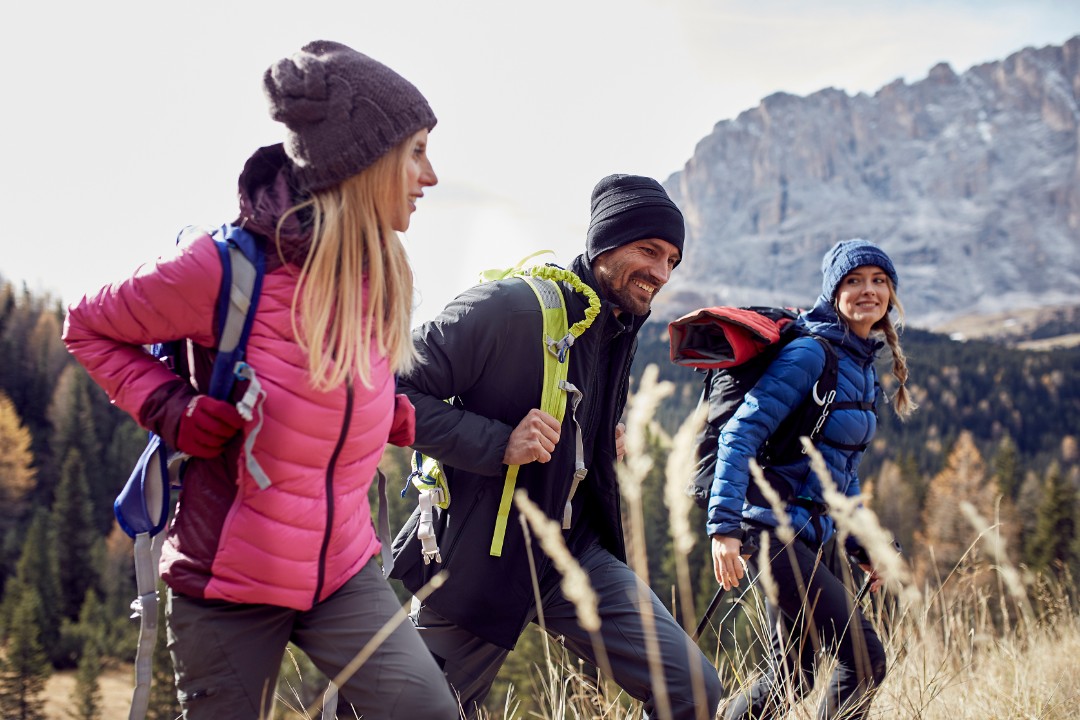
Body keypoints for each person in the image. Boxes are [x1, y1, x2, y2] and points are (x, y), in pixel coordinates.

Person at [62, 40, 459, 720]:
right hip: (228, 589)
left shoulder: (377, 271)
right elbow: (88, 325)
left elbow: (344, 393)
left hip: (344, 573)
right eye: (416, 152)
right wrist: (170, 406)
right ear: (361, 163)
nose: (432, 176)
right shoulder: (220, 269)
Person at [389, 174, 724, 719]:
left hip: (577, 554)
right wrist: (499, 443)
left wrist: (597, 436)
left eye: (672, 261)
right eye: (649, 251)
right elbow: (390, 389)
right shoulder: (511, 307)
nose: (661, 273)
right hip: (486, 556)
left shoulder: (618, 326)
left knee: (693, 694)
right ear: (604, 245)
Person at [708, 238, 917, 719]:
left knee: (791, 677)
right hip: (770, 531)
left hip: (811, 535)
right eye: (854, 281)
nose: (869, 291)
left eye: (879, 281)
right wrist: (724, 529)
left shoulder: (860, 365)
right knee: (863, 662)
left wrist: (866, 547)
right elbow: (739, 433)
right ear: (833, 291)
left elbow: (837, 479)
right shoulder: (810, 354)